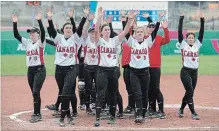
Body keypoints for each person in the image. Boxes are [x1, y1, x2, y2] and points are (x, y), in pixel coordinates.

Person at [47, 7, 89, 127]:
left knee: (65, 92)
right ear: (63, 30)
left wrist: (84, 17)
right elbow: (52, 31)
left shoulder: (76, 39)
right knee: (66, 92)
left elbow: (79, 28)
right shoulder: (58, 38)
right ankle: (69, 115)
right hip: (59, 69)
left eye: (70, 28)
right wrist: (49, 19)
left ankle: (62, 118)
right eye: (67, 28)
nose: (69, 29)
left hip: (71, 68)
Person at [92, 7, 135, 127]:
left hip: (113, 71)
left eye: (108, 29)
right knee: (100, 94)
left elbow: (125, 31)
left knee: (113, 94)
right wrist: (100, 17)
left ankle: (112, 116)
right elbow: (95, 31)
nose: (107, 31)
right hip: (102, 70)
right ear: (102, 32)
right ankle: (98, 117)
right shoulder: (99, 41)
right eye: (105, 30)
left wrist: (130, 19)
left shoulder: (114, 40)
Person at [12, 12, 46, 123]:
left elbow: (44, 32)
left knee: (36, 91)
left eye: (33, 33)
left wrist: (40, 21)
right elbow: (16, 35)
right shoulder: (27, 42)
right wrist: (15, 23)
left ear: (38, 34)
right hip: (30, 70)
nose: (31, 34)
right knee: (35, 93)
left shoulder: (41, 42)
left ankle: (36, 114)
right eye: (30, 33)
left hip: (40, 69)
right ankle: (37, 113)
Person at [126, 12, 160, 123]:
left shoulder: (148, 41)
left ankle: (143, 112)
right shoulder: (131, 41)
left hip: (145, 72)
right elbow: (126, 31)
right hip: (134, 72)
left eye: (141, 31)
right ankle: (139, 114)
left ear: (144, 33)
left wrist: (157, 19)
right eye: (137, 32)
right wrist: (130, 19)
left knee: (145, 94)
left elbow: (155, 30)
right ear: (134, 34)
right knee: (138, 93)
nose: (139, 33)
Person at [142, 12, 170, 119]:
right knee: (148, 89)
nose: (151, 28)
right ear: (146, 28)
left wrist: (166, 29)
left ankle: (161, 110)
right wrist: (149, 19)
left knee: (156, 88)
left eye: (153, 27)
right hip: (145, 67)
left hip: (155, 67)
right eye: (149, 26)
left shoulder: (157, 37)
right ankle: (152, 109)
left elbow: (167, 40)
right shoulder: (143, 38)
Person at [177, 12, 204, 120]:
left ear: (194, 39)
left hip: (194, 72)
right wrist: (181, 18)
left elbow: (202, 33)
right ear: (186, 39)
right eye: (189, 38)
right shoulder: (183, 44)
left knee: (189, 92)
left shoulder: (197, 44)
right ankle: (193, 113)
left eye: (192, 38)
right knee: (190, 92)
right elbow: (179, 31)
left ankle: (181, 109)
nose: (191, 39)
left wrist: (202, 20)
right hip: (185, 72)